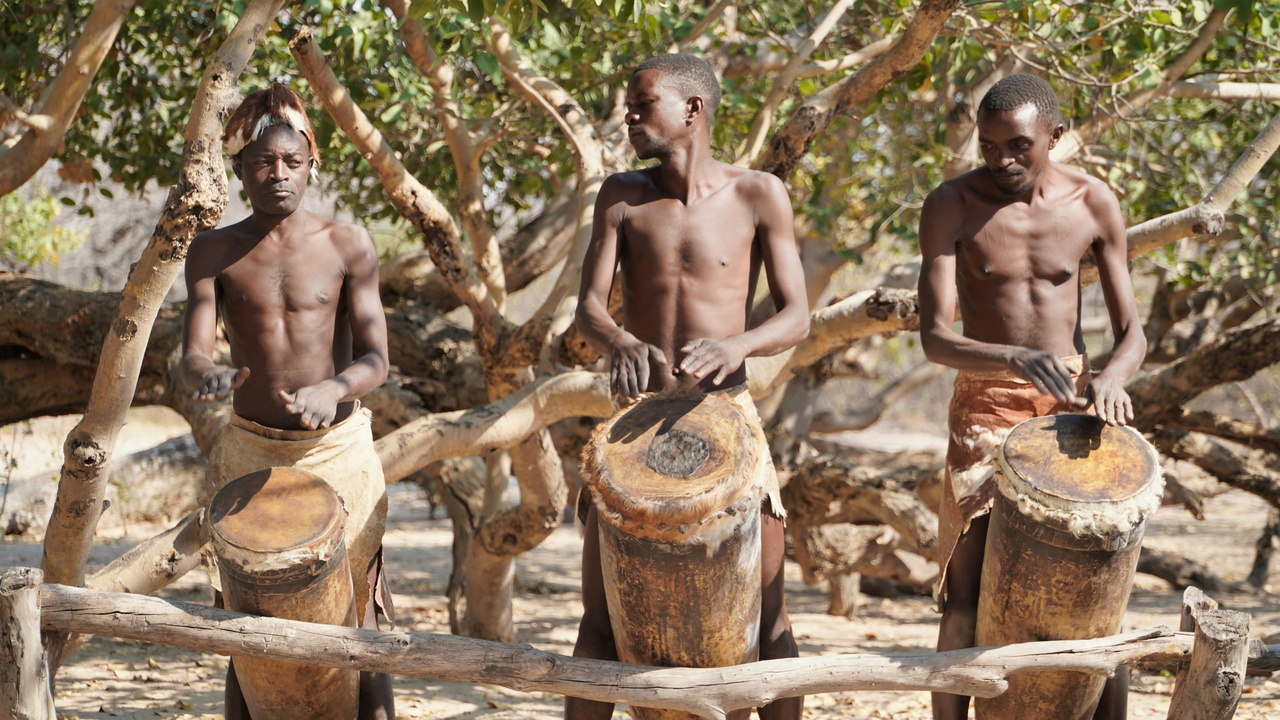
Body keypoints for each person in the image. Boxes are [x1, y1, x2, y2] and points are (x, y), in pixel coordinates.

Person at [570, 53, 811, 720]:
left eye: (642, 105)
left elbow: (797, 314)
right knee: (600, 625)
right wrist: (618, 340)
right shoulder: (622, 195)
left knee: (770, 624)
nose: (630, 117)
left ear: (693, 110)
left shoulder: (757, 194)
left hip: (728, 418)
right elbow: (587, 308)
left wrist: (736, 344)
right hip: (636, 425)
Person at [918, 73, 1147, 720]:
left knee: (1096, 593)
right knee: (965, 590)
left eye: (1018, 145)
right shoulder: (952, 203)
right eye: (988, 147)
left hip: (1071, 406)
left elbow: (1133, 334)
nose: (1002, 160)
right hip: (986, 403)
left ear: (1056, 135)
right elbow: (936, 338)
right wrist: (1014, 357)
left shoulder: (1094, 202)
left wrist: (1110, 378)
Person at [181, 83, 395, 720]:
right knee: (245, 625)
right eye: (262, 164)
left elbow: (377, 361)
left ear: (312, 165)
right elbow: (194, 352)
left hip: (338, 450)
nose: (277, 175)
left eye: (290, 163)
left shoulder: (346, 243)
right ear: (241, 170)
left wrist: (334, 387)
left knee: (362, 615)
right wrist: (207, 373)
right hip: (251, 452)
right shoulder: (213, 250)